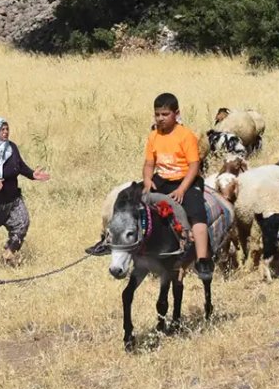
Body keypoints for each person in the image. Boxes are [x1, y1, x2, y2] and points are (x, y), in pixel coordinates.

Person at [86, 93, 213, 280]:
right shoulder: (154, 136)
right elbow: (149, 164)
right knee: (126, 197)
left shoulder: (186, 136)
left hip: (185, 180)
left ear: (176, 114)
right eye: (157, 114)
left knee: (197, 214)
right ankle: (110, 239)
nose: (160, 118)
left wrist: (182, 189)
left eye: (165, 114)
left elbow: (194, 166)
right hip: (160, 179)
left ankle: (202, 260)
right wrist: (147, 180)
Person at [0, 117, 50, 269]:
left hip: (10, 200)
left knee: (22, 223)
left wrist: (33, 174)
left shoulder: (11, 148)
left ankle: (9, 253)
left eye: (7, 129)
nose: (6, 132)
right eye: (2, 129)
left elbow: (19, 166)